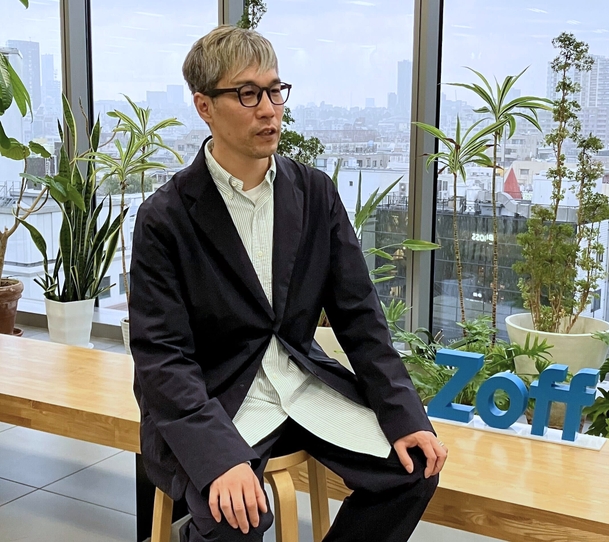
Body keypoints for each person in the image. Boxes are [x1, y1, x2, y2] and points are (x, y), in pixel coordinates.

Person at [130, 25, 447, 542]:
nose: (269, 109)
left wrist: (404, 414)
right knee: (237, 518)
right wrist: (219, 458)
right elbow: (163, 357)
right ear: (204, 106)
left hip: (300, 382)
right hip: (217, 397)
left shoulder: (315, 193)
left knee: (414, 469)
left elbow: (360, 317)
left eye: (275, 90)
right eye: (247, 94)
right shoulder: (164, 218)